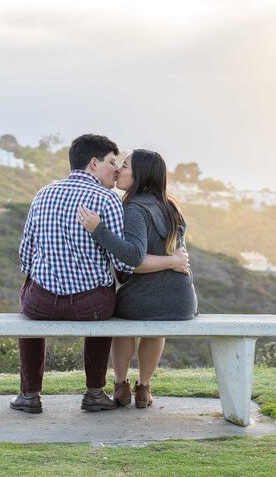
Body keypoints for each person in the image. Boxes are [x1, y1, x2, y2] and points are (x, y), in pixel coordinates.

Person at [13, 133, 137, 415]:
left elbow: (25, 253)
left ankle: (29, 394)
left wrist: (39, 279)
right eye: (111, 162)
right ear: (94, 164)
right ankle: (94, 392)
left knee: (27, 297)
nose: (116, 169)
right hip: (91, 306)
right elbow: (123, 264)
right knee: (106, 298)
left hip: (40, 304)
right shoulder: (107, 200)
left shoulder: (43, 193)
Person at [78, 149, 197, 409]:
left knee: (121, 317)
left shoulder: (134, 208)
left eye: (126, 166)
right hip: (182, 302)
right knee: (155, 326)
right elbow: (177, 255)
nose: (119, 169)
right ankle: (143, 388)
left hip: (145, 302)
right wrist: (172, 262)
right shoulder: (171, 206)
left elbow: (134, 258)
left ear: (140, 175)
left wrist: (98, 230)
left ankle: (121, 385)